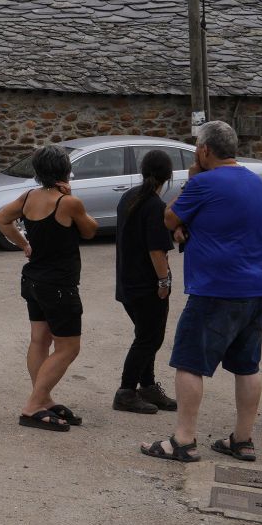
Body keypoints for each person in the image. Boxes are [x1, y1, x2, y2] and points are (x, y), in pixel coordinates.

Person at [141, 120, 262, 464]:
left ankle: (183, 440)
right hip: (257, 288)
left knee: (189, 362)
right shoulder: (255, 181)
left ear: (204, 150)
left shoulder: (204, 182)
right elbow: (225, 220)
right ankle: (242, 440)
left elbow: (169, 218)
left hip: (216, 288)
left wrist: (193, 179)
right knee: (247, 366)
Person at [0, 145, 97, 433]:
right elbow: (90, 230)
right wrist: (70, 194)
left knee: (39, 340)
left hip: (34, 281)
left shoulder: (29, 197)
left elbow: (1, 218)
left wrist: (24, 244)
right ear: (65, 171)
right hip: (60, 285)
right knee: (68, 347)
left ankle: (43, 399)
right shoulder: (68, 202)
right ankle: (33, 405)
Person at [111, 149, 178, 415]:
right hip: (146, 286)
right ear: (168, 176)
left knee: (146, 335)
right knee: (149, 338)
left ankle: (147, 385)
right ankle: (126, 391)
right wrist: (164, 282)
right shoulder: (154, 206)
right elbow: (156, 251)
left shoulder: (129, 197)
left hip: (127, 282)